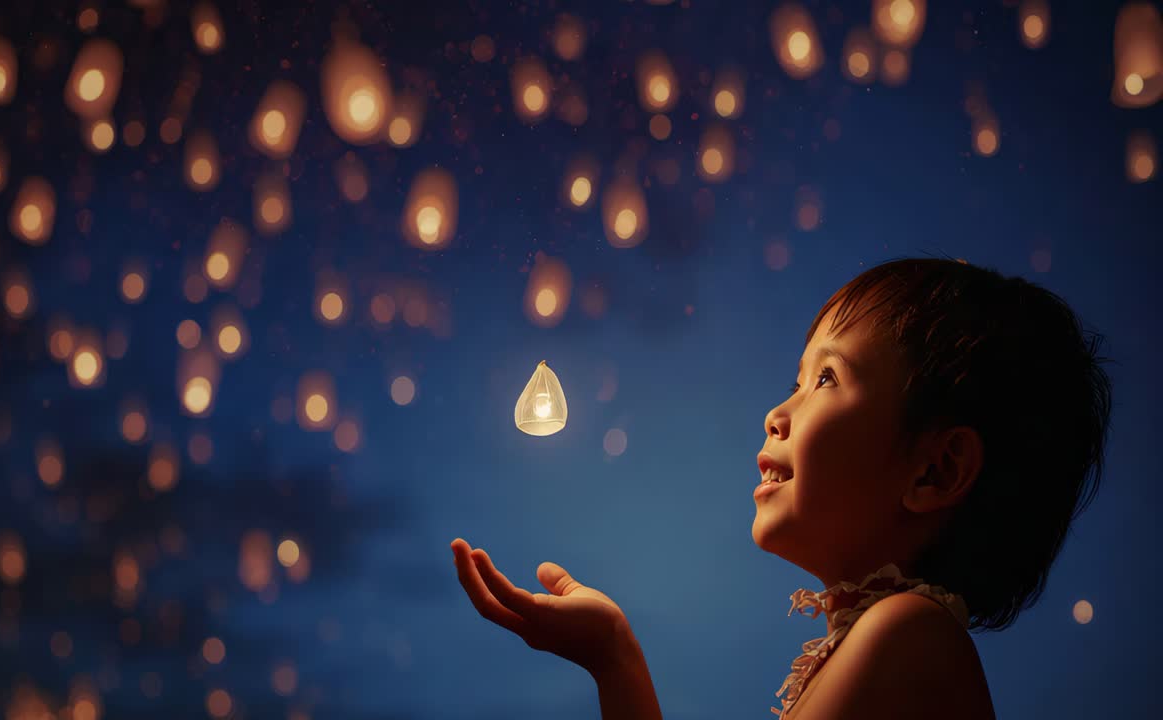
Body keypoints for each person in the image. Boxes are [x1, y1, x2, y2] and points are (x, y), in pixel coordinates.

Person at [451, 254, 1114, 720]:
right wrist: (613, 657)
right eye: (798, 379)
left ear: (934, 471)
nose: (778, 412)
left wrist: (616, 661)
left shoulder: (906, 633)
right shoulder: (889, 642)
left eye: (826, 378)